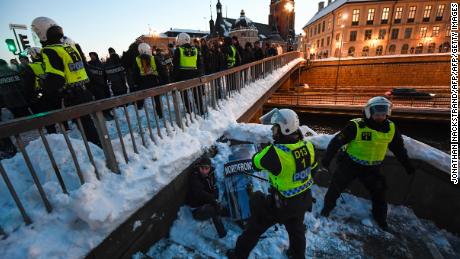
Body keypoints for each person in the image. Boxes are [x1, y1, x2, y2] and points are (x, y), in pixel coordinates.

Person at [228, 108, 318, 259]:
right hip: (303, 198)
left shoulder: (275, 152)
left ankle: (238, 255)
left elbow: (256, 162)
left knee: (254, 228)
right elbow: (313, 169)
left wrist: (270, 149)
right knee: (296, 232)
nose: (273, 131)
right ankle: (297, 256)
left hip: (280, 204)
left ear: (285, 129)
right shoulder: (308, 146)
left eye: (275, 128)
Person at [320, 96, 415, 230]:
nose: (380, 117)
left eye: (383, 114)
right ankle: (326, 209)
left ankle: (380, 219)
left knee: (379, 194)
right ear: (369, 112)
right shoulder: (356, 126)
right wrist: (327, 159)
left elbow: (398, 148)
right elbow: (337, 141)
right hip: (350, 164)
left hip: (373, 168)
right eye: (377, 114)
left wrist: (407, 165)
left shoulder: (391, 128)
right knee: (335, 188)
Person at [31, 16, 100, 146]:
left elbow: (56, 78)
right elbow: (85, 69)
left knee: (86, 127)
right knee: (88, 125)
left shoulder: (50, 50)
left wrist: (45, 92)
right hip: (84, 92)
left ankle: (100, 152)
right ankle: (100, 148)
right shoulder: (70, 48)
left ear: (42, 33)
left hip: (72, 96)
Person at [187, 157, 227, 238]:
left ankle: (236, 218)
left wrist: (215, 198)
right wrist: (213, 201)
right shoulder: (194, 176)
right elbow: (200, 193)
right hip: (197, 209)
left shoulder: (211, 174)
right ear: (199, 167)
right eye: (202, 168)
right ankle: (222, 234)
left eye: (207, 168)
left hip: (207, 202)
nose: (204, 171)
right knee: (214, 209)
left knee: (223, 209)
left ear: (209, 167)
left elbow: (215, 188)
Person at [173, 32, 203, 115]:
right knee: (197, 94)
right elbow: (200, 64)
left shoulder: (178, 50)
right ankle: (201, 110)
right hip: (195, 76)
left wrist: (175, 79)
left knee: (185, 95)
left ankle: (189, 112)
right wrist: (200, 75)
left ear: (180, 40)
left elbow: (176, 66)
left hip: (183, 77)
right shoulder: (196, 49)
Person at [132, 42, 162, 116]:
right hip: (154, 81)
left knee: (141, 97)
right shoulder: (154, 58)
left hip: (143, 82)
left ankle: (139, 109)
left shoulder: (137, 60)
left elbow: (135, 73)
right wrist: (162, 81)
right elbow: (161, 70)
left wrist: (136, 83)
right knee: (157, 99)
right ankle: (159, 113)